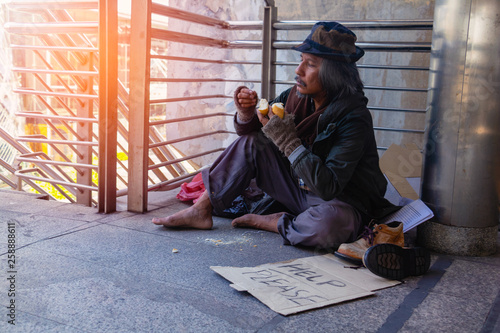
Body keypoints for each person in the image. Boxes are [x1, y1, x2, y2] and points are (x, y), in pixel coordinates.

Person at [152, 21, 399, 250]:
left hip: (339, 201)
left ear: (334, 73)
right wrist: (246, 113)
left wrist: (289, 143)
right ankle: (201, 210)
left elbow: (328, 186)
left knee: (328, 226)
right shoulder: (295, 96)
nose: (298, 70)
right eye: (301, 60)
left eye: (311, 64)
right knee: (252, 144)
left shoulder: (354, 117)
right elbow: (253, 134)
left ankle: (275, 221)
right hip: (297, 187)